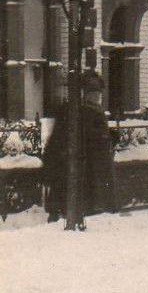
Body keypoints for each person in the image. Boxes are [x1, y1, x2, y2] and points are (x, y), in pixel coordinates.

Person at [42, 71, 117, 223]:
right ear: (83, 93)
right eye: (92, 93)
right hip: (81, 166)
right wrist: (108, 137)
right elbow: (94, 139)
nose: (96, 97)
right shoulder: (86, 112)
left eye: (97, 93)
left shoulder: (82, 110)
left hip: (78, 165)